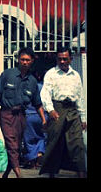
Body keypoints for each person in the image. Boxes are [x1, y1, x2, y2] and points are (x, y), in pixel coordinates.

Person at [0, 47, 46, 178]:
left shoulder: (33, 81)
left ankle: (6, 173)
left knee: (16, 147)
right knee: (12, 144)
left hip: (21, 117)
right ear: (18, 60)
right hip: (7, 114)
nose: (25, 62)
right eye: (22, 59)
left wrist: (44, 120)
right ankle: (19, 174)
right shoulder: (7, 74)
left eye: (27, 60)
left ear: (31, 62)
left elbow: (37, 103)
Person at [39, 46, 87, 178]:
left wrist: (83, 117)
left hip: (73, 111)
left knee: (77, 144)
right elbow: (45, 94)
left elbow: (80, 96)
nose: (62, 62)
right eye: (60, 59)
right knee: (55, 142)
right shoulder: (51, 74)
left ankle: (81, 174)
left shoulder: (76, 75)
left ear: (70, 60)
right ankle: (51, 174)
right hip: (57, 110)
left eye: (65, 59)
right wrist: (50, 110)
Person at [22, 69, 48, 169]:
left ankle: (32, 162)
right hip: (43, 116)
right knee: (42, 137)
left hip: (29, 116)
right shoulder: (45, 88)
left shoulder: (27, 86)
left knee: (29, 140)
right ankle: (39, 154)